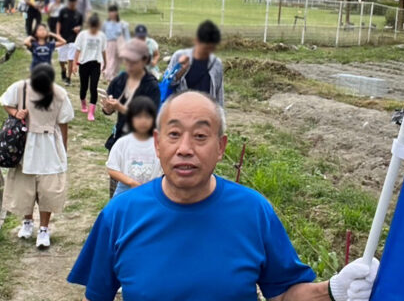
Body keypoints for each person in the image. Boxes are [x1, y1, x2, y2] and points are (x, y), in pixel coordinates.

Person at [68, 91, 379, 300]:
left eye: (201, 136)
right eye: (174, 135)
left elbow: (284, 294)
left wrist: (335, 290)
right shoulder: (119, 214)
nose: (185, 148)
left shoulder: (253, 211)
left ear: (221, 147)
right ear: (158, 144)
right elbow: (98, 296)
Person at [0, 64, 74, 249]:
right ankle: (27, 222)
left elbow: (63, 123)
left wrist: (63, 149)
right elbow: (5, 102)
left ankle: (44, 228)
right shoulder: (21, 88)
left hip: (49, 145)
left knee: (48, 190)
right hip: (25, 144)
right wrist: (16, 113)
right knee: (25, 187)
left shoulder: (59, 94)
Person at [102, 39, 160, 197]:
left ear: (144, 61)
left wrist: (121, 107)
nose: (129, 64)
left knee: (144, 191)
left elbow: (151, 115)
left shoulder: (151, 85)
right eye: (127, 59)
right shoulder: (119, 80)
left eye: (133, 60)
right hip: (121, 138)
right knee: (117, 193)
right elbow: (108, 109)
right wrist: (107, 107)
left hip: (144, 143)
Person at [106, 96, 162, 197]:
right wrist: (131, 182)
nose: (143, 121)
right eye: (138, 116)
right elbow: (111, 169)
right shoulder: (122, 143)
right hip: (125, 189)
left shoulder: (159, 144)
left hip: (151, 190)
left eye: (147, 117)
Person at [167, 20, 224, 106]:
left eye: (211, 47)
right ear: (197, 41)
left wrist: (220, 117)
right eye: (205, 47)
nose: (207, 51)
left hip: (205, 111)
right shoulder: (179, 56)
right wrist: (181, 70)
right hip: (182, 109)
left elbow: (219, 94)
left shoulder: (216, 64)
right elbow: (168, 83)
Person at [73, 14, 107, 121]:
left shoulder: (101, 36)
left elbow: (103, 50)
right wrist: (74, 64)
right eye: (92, 27)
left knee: (93, 87)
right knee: (84, 87)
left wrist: (105, 62)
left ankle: (91, 112)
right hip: (84, 64)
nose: (93, 29)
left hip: (95, 64)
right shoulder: (82, 35)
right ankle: (83, 103)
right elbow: (77, 50)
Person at [56, 0, 83, 86]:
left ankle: (68, 78)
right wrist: (58, 34)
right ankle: (63, 70)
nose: (72, 5)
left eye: (74, 3)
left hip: (73, 39)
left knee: (71, 59)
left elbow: (82, 25)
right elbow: (58, 23)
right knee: (61, 59)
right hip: (63, 38)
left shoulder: (79, 14)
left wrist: (79, 28)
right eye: (70, 3)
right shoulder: (63, 11)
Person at [102, 4, 131, 81]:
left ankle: (113, 75)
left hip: (119, 44)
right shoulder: (106, 24)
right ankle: (108, 74)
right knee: (110, 59)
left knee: (117, 61)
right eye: (110, 12)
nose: (112, 14)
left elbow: (127, 36)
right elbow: (102, 34)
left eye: (113, 11)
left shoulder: (122, 24)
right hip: (109, 43)